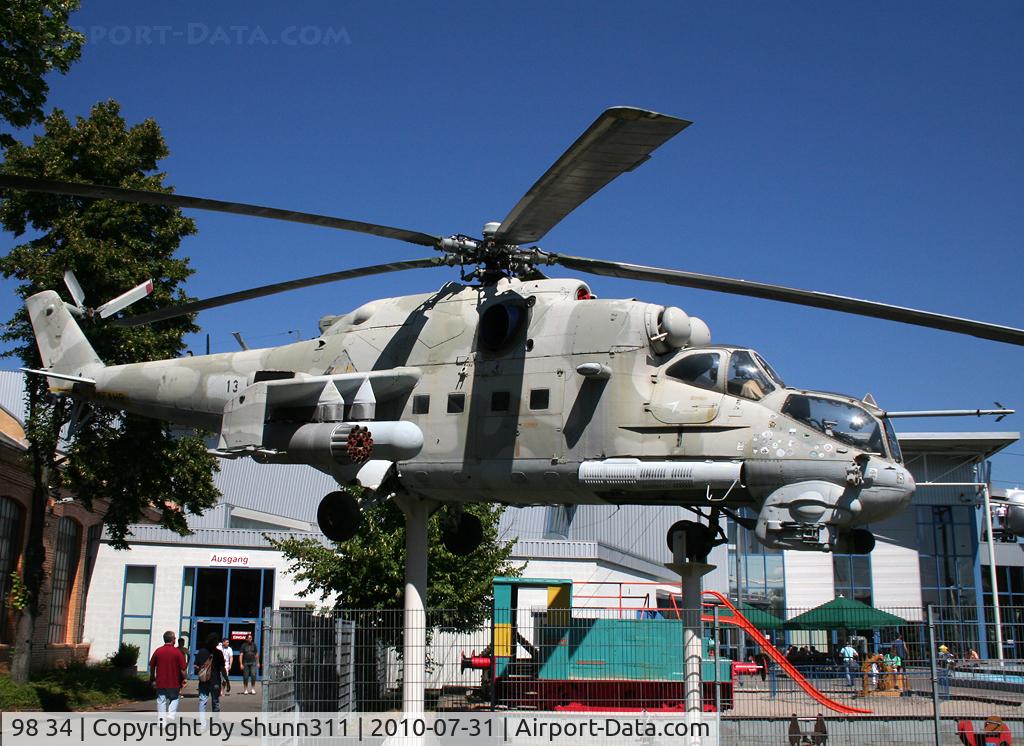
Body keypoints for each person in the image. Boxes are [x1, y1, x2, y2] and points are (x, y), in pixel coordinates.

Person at [149, 630, 186, 718]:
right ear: (173, 640)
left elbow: (152, 666)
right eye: (175, 638)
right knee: (175, 698)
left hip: (161, 681)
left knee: (161, 701)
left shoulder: (158, 651)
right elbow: (183, 669)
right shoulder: (177, 652)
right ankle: (171, 715)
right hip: (174, 682)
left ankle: (161, 722)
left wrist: (152, 677)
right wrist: (184, 679)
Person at [195, 633, 227, 729]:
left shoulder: (201, 652)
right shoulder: (218, 653)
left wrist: (201, 670)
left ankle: (202, 725)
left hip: (203, 681)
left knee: (202, 701)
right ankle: (215, 722)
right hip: (215, 681)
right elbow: (222, 668)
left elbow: (196, 666)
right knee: (215, 701)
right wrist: (226, 680)